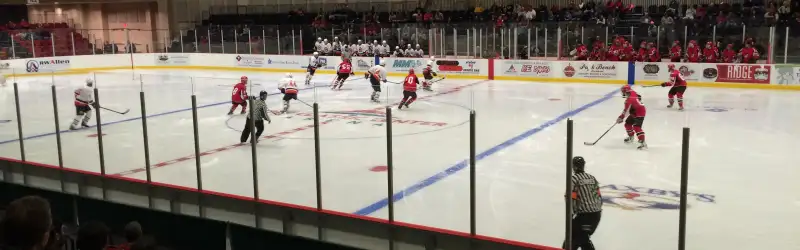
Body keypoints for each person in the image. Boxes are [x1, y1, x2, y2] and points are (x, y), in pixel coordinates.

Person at [563, 156, 602, 250]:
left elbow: (569, 198)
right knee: (577, 238)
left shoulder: (573, 179)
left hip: (584, 216)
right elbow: (599, 197)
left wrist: (572, 215)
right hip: (596, 215)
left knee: (576, 238)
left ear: (574, 167)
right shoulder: (592, 178)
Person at [618, 85, 647, 149]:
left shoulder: (628, 100)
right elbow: (639, 97)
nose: (622, 93)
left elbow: (625, 111)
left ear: (626, 91)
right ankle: (631, 137)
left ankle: (643, 143)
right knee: (627, 124)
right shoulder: (633, 92)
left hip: (640, 113)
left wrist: (620, 117)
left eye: (623, 91)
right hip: (634, 112)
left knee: (636, 127)